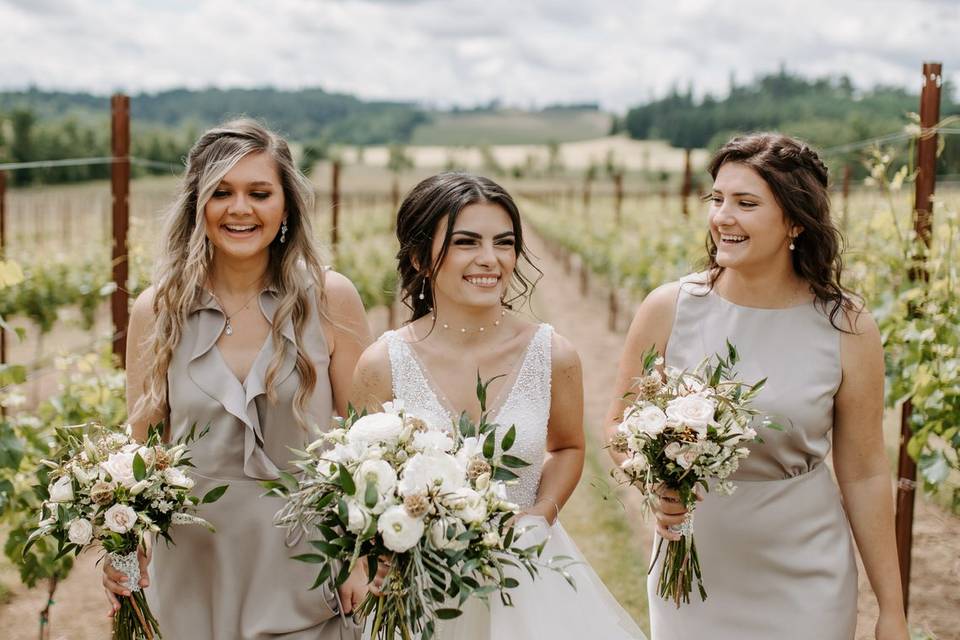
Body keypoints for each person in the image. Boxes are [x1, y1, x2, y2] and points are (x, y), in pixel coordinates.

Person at [605, 133, 909, 640]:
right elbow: (618, 426)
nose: (723, 216)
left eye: (746, 203)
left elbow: (864, 474)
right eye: (718, 199)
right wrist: (658, 482)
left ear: (795, 220)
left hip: (807, 572)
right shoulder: (668, 308)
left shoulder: (846, 325)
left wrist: (892, 611)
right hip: (694, 568)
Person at [101, 119, 375, 639]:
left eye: (259, 192)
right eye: (221, 192)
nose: (240, 209)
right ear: (197, 205)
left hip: (308, 567)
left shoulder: (331, 298)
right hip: (191, 570)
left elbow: (367, 446)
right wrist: (120, 554)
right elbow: (137, 455)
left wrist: (360, 559)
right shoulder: (157, 310)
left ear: (287, 204)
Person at [351, 172, 647, 639]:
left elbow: (568, 447)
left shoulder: (554, 355)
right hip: (423, 590)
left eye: (504, 243)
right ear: (418, 257)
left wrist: (544, 509)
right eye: (466, 242)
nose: (490, 259)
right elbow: (366, 480)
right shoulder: (382, 364)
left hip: (527, 575)